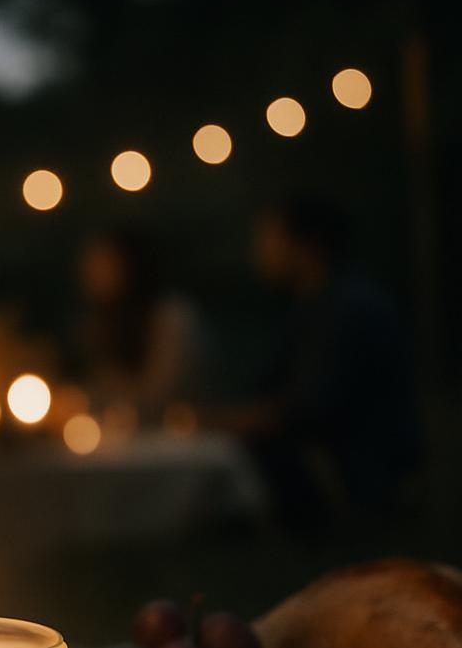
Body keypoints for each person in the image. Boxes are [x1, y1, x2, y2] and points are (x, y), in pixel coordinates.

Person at [208, 194, 422, 526]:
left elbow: (308, 408)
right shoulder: (313, 305)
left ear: (309, 245)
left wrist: (220, 421)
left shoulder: (347, 309)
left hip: (356, 476)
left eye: (269, 237)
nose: (260, 250)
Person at [76, 225, 202, 417]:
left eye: (103, 262)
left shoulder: (171, 317)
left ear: (129, 265)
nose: (91, 272)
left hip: (192, 436)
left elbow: (161, 396)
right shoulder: (101, 323)